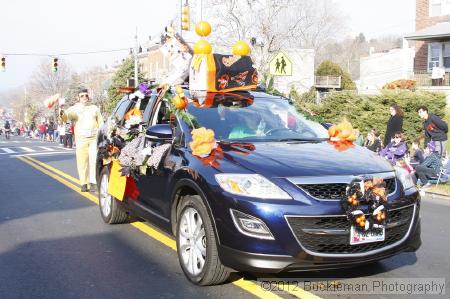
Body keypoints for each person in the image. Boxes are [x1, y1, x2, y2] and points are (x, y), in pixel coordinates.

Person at [60, 88, 103, 192]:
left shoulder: (94, 108)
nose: (84, 98)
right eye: (82, 96)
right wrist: (61, 112)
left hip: (93, 138)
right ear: (78, 98)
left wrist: (101, 134)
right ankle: (84, 183)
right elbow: (66, 117)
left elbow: (100, 121)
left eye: (86, 95)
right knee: (82, 161)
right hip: (81, 139)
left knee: (93, 160)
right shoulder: (74, 108)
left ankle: (93, 183)